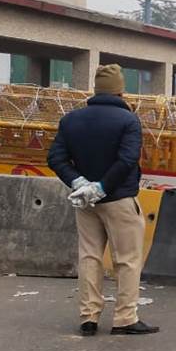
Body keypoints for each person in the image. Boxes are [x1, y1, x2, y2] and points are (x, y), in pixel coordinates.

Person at [47, 64, 158, 336]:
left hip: (85, 202)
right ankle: (125, 318)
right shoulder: (128, 120)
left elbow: (56, 158)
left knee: (89, 256)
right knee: (127, 259)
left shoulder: (71, 120)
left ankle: (89, 317)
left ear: (96, 90)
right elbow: (127, 160)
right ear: (120, 91)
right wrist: (102, 187)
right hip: (119, 199)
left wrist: (79, 182)